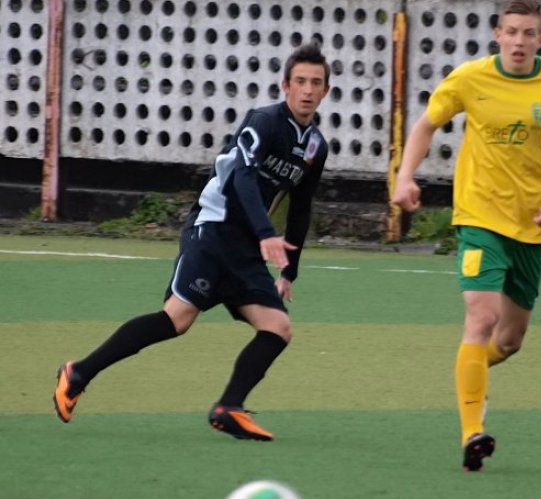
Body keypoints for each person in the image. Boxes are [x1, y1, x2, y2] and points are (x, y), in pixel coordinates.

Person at [53, 42, 332, 441]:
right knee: (176, 319)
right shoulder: (264, 121)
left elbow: (302, 204)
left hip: (247, 248)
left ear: (325, 92)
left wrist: (290, 269)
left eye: (316, 83)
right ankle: (78, 373)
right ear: (285, 85)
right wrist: (267, 233)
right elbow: (243, 177)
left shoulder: (315, 147)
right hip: (213, 232)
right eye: (301, 81)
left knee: (278, 327)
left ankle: (228, 408)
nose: (307, 90)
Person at [391, 0, 541, 471]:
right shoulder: (469, 78)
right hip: (479, 217)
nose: (519, 41)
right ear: (497, 34)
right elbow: (427, 124)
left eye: (529, 33)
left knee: (509, 340)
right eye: (511, 31)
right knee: (480, 317)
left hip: (534, 226)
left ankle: (473, 378)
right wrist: (404, 176)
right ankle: (473, 432)